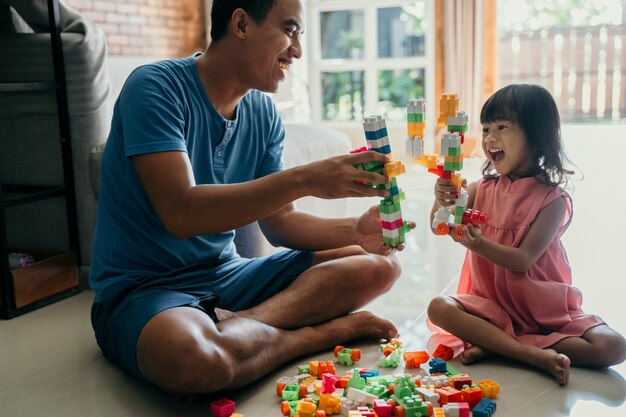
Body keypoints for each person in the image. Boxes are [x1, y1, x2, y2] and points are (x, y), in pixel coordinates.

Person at [89, 0, 414, 395]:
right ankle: (313, 335)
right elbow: (181, 213)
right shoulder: (155, 87)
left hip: (226, 275)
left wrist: (356, 230)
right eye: (290, 30)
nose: (296, 50)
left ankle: (240, 324)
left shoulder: (263, 112)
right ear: (241, 23)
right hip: (144, 289)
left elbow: (281, 225)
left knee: (382, 264)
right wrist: (306, 178)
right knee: (195, 360)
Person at [427, 83, 626, 385]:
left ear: (536, 134)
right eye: (485, 129)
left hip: (540, 311)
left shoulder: (553, 200)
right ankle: (528, 354)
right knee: (438, 307)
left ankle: (499, 347)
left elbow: (522, 260)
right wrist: (440, 200)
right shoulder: (479, 189)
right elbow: (437, 225)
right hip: (490, 308)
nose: (490, 138)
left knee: (614, 346)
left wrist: (479, 244)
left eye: (502, 127)